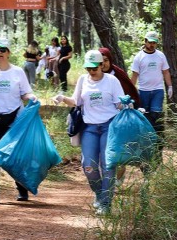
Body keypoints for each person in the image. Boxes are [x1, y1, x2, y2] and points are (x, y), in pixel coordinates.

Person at [52, 50, 125, 215]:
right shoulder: (83, 80)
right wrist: (62, 98)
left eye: (95, 68)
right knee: (88, 166)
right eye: (88, 68)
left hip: (109, 126)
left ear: (102, 65)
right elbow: (77, 101)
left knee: (108, 165)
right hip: (89, 128)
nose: (91, 71)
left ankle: (106, 204)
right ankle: (99, 194)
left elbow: (119, 104)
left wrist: (126, 104)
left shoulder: (112, 81)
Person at [0, 37, 38, 205]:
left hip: (15, 118)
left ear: (9, 52)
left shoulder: (18, 72)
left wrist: (32, 97)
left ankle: (22, 188)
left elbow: (25, 93)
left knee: (15, 154)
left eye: (2, 50)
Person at [99, 47, 141, 183]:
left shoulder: (118, 74)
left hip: (120, 118)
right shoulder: (93, 75)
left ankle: (119, 174)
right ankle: (107, 178)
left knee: (119, 147)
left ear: (110, 60)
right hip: (101, 119)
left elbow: (130, 92)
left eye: (106, 60)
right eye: (100, 61)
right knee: (104, 149)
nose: (103, 64)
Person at [130, 31, 172, 136]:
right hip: (143, 91)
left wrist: (170, 86)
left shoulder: (161, 56)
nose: (152, 45)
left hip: (158, 90)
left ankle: (158, 140)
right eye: (150, 42)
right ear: (145, 41)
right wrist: (131, 91)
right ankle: (146, 138)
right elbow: (134, 75)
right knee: (144, 115)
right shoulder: (139, 57)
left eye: (154, 42)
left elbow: (166, 72)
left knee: (156, 115)